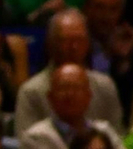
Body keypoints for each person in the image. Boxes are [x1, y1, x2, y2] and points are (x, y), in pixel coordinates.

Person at [20, 61, 133, 149]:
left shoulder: (104, 129)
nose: (70, 94)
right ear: (50, 98)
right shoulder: (37, 137)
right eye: (63, 88)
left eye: (77, 88)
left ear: (89, 97)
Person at [14, 8, 124, 139]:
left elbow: (118, 136)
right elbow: (25, 141)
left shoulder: (105, 86)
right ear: (51, 43)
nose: (73, 47)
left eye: (79, 40)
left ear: (88, 43)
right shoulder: (31, 91)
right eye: (65, 40)